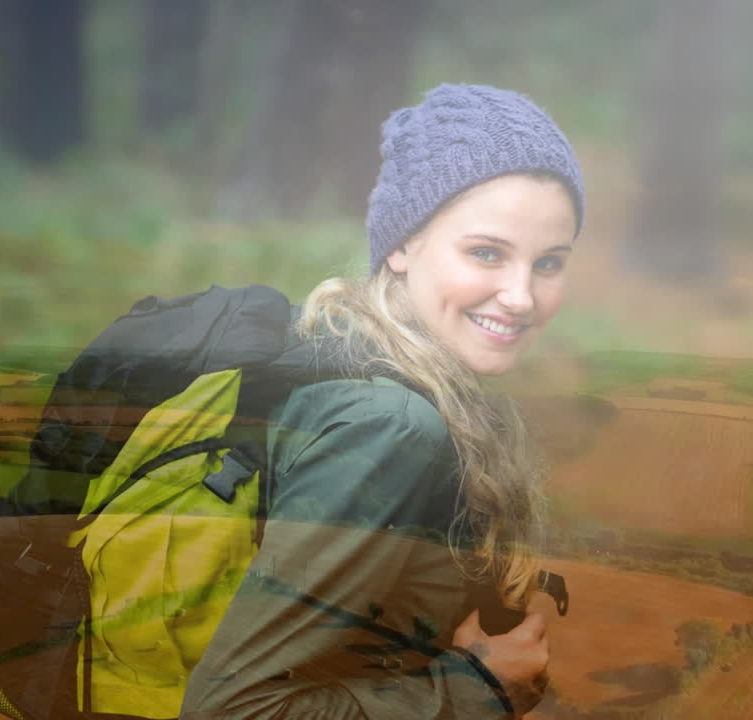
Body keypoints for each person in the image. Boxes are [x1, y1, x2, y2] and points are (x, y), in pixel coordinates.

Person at [181, 83, 585, 719]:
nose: (521, 296)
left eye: (550, 263)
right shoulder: (389, 427)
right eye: (486, 253)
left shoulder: (353, 350)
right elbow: (231, 710)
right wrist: (479, 691)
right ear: (402, 244)